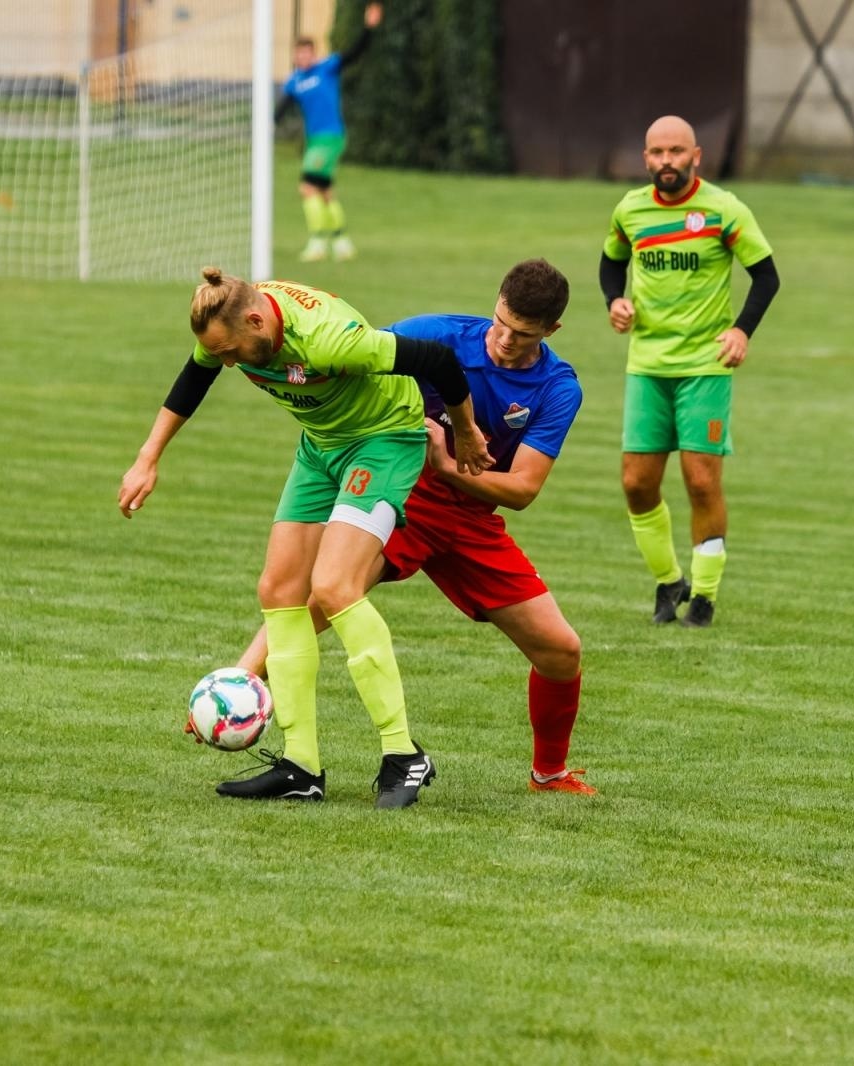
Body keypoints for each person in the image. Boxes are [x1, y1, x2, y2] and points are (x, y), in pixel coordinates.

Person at [120, 269, 490, 807]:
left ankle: (403, 753)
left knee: (336, 587)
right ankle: (301, 765)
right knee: (278, 591)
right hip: (321, 446)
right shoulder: (233, 327)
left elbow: (436, 359)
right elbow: (192, 379)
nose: (227, 363)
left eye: (229, 352)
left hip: (384, 441)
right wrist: (147, 459)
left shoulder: (328, 339)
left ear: (256, 320)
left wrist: (465, 429)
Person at [232, 259, 594, 794]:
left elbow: (522, 490)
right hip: (403, 494)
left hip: (471, 522)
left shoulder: (557, 388)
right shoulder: (436, 335)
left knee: (561, 651)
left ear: (551, 332)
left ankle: (549, 774)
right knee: (326, 597)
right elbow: (355, 363)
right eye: (500, 322)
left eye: (522, 335)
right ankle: (239, 694)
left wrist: (450, 466)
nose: (504, 340)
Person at [599, 115, 781, 629]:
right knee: (636, 483)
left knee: (701, 481)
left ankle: (703, 595)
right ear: (645, 158)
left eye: (676, 152)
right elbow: (611, 263)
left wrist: (741, 330)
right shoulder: (631, 210)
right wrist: (615, 299)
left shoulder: (724, 210)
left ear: (695, 156)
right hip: (647, 367)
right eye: (657, 153)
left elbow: (766, 276)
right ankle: (667, 579)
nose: (666, 162)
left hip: (705, 366)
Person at [275, 2, 383, 263]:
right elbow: (281, 109)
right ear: (295, 56)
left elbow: (355, 53)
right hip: (314, 141)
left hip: (331, 137)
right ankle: (342, 243)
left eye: (306, 53)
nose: (303, 58)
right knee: (324, 193)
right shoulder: (294, 82)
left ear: (313, 54)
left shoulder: (327, 68)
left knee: (307, 187)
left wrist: (368, 29)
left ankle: (317, 242)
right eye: (298, 54)